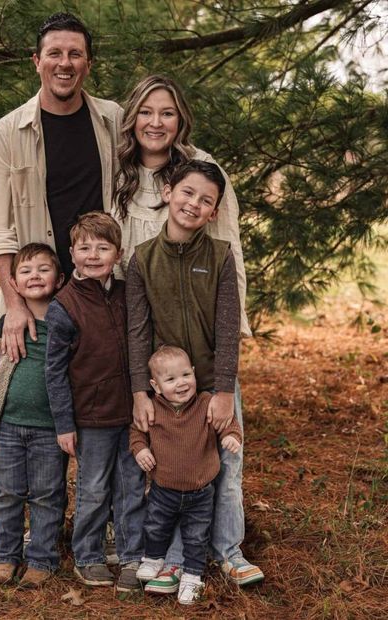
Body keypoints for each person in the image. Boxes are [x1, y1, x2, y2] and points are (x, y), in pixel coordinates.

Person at [114, 76, 263, 588]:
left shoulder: (217, 256)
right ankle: (173, 558)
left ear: (214, 209)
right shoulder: (142, 259)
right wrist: (140, 389)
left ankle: (229, 550)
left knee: (225, 461)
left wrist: (224, 389)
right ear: (168, 194)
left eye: (205, 200)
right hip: (166, 379)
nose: (193, 204)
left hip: (213, 377)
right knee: (174, 467)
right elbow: (137, 330)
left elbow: (226, 321)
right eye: (186, 195)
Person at [0, 12, 122, 363]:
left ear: (88, 64)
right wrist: (14, 305)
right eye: (55, 53)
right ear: (37, 61)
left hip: (103, 292)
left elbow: (159, 152)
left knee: (103, 401)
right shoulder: (8, 132)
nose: (65, 63)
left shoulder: (114, 121)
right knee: (37, 407)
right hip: (38, 301)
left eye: (75, 54)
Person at [45, 212, 145, 592]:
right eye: (84, 247)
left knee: (132, 486)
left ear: (117, 255)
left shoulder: (125, 295)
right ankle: (88, 555)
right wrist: (64, 424)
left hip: (131, 412)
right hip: (89, 417)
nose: (93, 254)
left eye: (102, 247)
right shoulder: (64, 306)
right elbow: (54, 373)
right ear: (72, 254)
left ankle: (132, 553)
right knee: (93, 489)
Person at [131, 345, 243, 605]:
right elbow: (136, 432)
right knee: (156, 527)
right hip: (164, 490)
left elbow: (228, 424)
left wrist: (231, 438)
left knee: (196, 536)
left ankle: (192, 576)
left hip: (201, 492)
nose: (180, 383)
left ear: (194, 373)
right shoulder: (153, 408)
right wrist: (140, 450)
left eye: (185, 375)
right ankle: (154, 558)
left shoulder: (205, 403)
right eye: (170, 379)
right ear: (155, 386)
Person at [0, 243, 66, 588]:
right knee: (7, 493)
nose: (35, 276)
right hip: (10, 425)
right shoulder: (8, 323)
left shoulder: (66, 325)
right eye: (26, 271)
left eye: (44, 269)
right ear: (14, 283)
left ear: (60, 279)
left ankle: (42, 559)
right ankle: (5, 555)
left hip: (50, 428)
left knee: (48, 495)